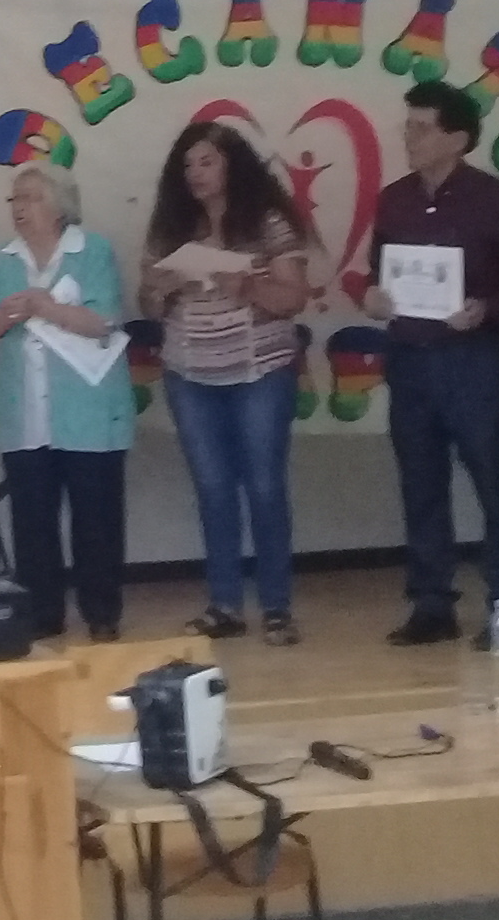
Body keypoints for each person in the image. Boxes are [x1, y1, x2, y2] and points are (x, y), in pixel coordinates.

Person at [357, 84, 499, 649]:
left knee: (494, 484)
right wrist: (373, 297)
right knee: (420, 483)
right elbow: (378, 272)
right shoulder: (395, 199)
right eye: (408, 126)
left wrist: (487, 310)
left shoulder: (496, 200)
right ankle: (431, 604)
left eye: (422, 127)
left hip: (473, 358)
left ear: (457, 138)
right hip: (410, 357)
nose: (409, 137)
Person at [140, 123, 317, 646]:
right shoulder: (172, 226)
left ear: (232, 164)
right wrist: (160, 290)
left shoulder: (268, 221)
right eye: (187, 164)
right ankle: (224, 605)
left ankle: (277, 607)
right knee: (213, 488)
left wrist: (249, 286)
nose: (195, 173)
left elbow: (294, 298)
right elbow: (147, 303)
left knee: (263, 485)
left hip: (259, 370)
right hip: (189, 373)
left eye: (207, 162)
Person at [0, 162, 131, 642]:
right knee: (32, 518)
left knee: (96, 517)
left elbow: (104, 320)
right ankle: (42, 613)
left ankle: (101, 612)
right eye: (15, 200)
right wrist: (6, 315)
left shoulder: (92, 250)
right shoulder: (5, 258)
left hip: (88, 409)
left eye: (31, 198)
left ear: (60, 206)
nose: (20, 208)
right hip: (25, 412)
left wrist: (46, 307)